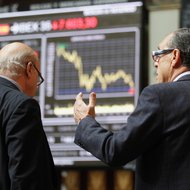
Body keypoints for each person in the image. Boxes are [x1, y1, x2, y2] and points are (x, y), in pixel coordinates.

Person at [73, 28, 190, 190]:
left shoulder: (159, 95)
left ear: (175, 56)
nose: (155, 61)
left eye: (158, 54)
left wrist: (85, 122)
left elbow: (115, 151)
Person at [0, 42, 58, 190]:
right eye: (38, 77)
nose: (37, 85)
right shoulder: (22, 106)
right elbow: (25, 179)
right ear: (30, 69)